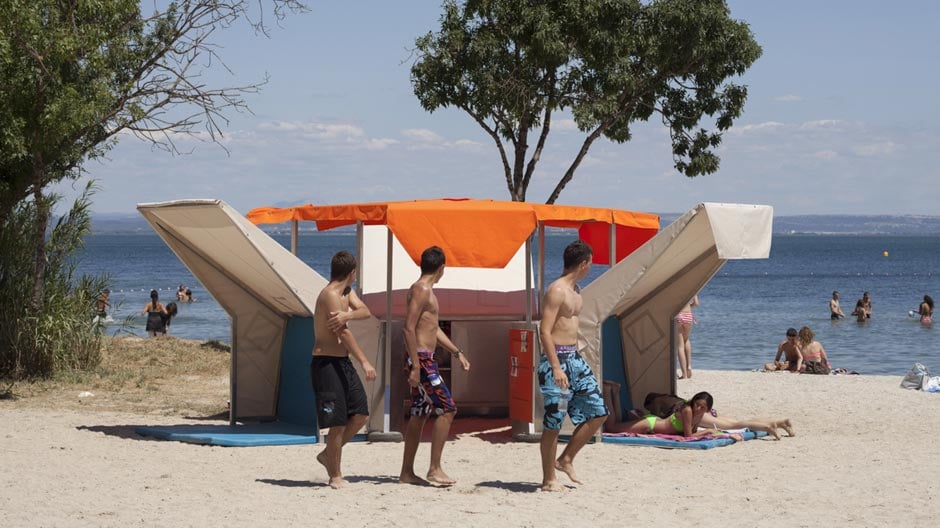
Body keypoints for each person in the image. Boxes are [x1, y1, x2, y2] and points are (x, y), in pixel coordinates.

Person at [538, 240, 608, 492]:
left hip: (575, 360)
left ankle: (566, 459)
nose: (590, 267)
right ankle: (549, 479)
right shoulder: (556, 291)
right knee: (554, 421)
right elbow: (544, 331)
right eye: (590, 263)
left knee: (599, 411)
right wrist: (556, 367)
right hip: (555, 363)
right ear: (583, 263)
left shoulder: (576, 290)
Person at [399, 246, 470, 486]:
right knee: (447, 409)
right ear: (441, 268)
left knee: (419, 414)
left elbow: (433, 328)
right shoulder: (421, 289)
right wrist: (416, 366)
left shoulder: (426, 291)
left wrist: (456, 352)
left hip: (424, 358)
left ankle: (406, 473)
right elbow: (408, 328)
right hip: (421, 360)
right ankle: (435, 469)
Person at [311, 251, 377, 489]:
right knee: (337, 422)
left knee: (361, 415)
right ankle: (335, 475)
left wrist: (348, 314)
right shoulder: (329, 295)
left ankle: (327, 454)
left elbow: (365, 311)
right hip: (326, 363)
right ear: (352, 273)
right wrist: (365, 362)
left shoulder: (347, 292)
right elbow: (344, 332)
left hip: (343, 363)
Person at [603, 382, 795, 440]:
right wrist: (709, 432)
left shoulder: (694, 412)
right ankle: (609, 392)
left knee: (735, 423)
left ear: (708, 408)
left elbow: (689, 433)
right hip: (651, 424)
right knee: (612, 427)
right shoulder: (688, 410)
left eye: (703, 407)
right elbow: (688, 435)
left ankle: (614, 392)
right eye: (698, 405)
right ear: (694, 401)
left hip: (653, 422)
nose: (699, 409)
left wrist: (709, 431)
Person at [675, 295, 699, 379]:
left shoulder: (674, 289)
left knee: (680, 346)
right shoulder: (691, 289)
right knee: (686, 340)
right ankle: (689, 365)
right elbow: (696, 303)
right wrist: (689, 306)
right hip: (688, 315)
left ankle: (684, 374)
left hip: (678, 314)